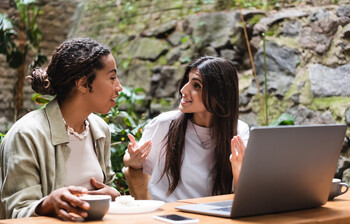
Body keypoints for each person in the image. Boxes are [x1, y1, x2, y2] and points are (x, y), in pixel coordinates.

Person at [0, 38, 121, 221]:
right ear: (82, 84)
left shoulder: (100, 129)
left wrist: (113, 196)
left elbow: (106, 195)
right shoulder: (27, 134)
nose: (118, 87)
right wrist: (47, 204)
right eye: (112, 78)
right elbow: (16, 210)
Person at [123, 56, 249, 202]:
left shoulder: (239, 131)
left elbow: (244, 199)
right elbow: (132, 164)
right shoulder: (166, 124)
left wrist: (238, 169)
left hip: (213, 216)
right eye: (187, 81)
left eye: (196, 86)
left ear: (218, 95)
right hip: (167, 216)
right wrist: (133, 159)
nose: (183, 90)